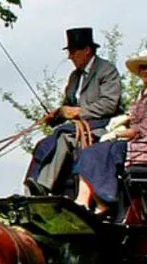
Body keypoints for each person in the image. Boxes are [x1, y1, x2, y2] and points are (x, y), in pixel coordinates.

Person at [24, 27, 123, 196]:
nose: (69, 57)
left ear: (87, 50)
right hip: (76, 126)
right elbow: (67, 107)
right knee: (43, 144)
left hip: (104, 126)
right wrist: (55, 116)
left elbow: (109, 104)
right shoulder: (74, 77)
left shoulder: (107, 70)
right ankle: (30, 190)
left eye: (73, 51)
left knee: (64, 137)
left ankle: (45, 186)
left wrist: (78, 112)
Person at [73, 49, 147, 214]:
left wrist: (117, 134)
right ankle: (84, 200)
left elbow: (141, 130)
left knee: (99, 151)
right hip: (135, 142)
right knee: (88, 151)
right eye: (142, 68)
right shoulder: (141, 95)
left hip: (143, 147)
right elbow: (135, 118)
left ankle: (103, 202)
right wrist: (123, 120)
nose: (144, 71)